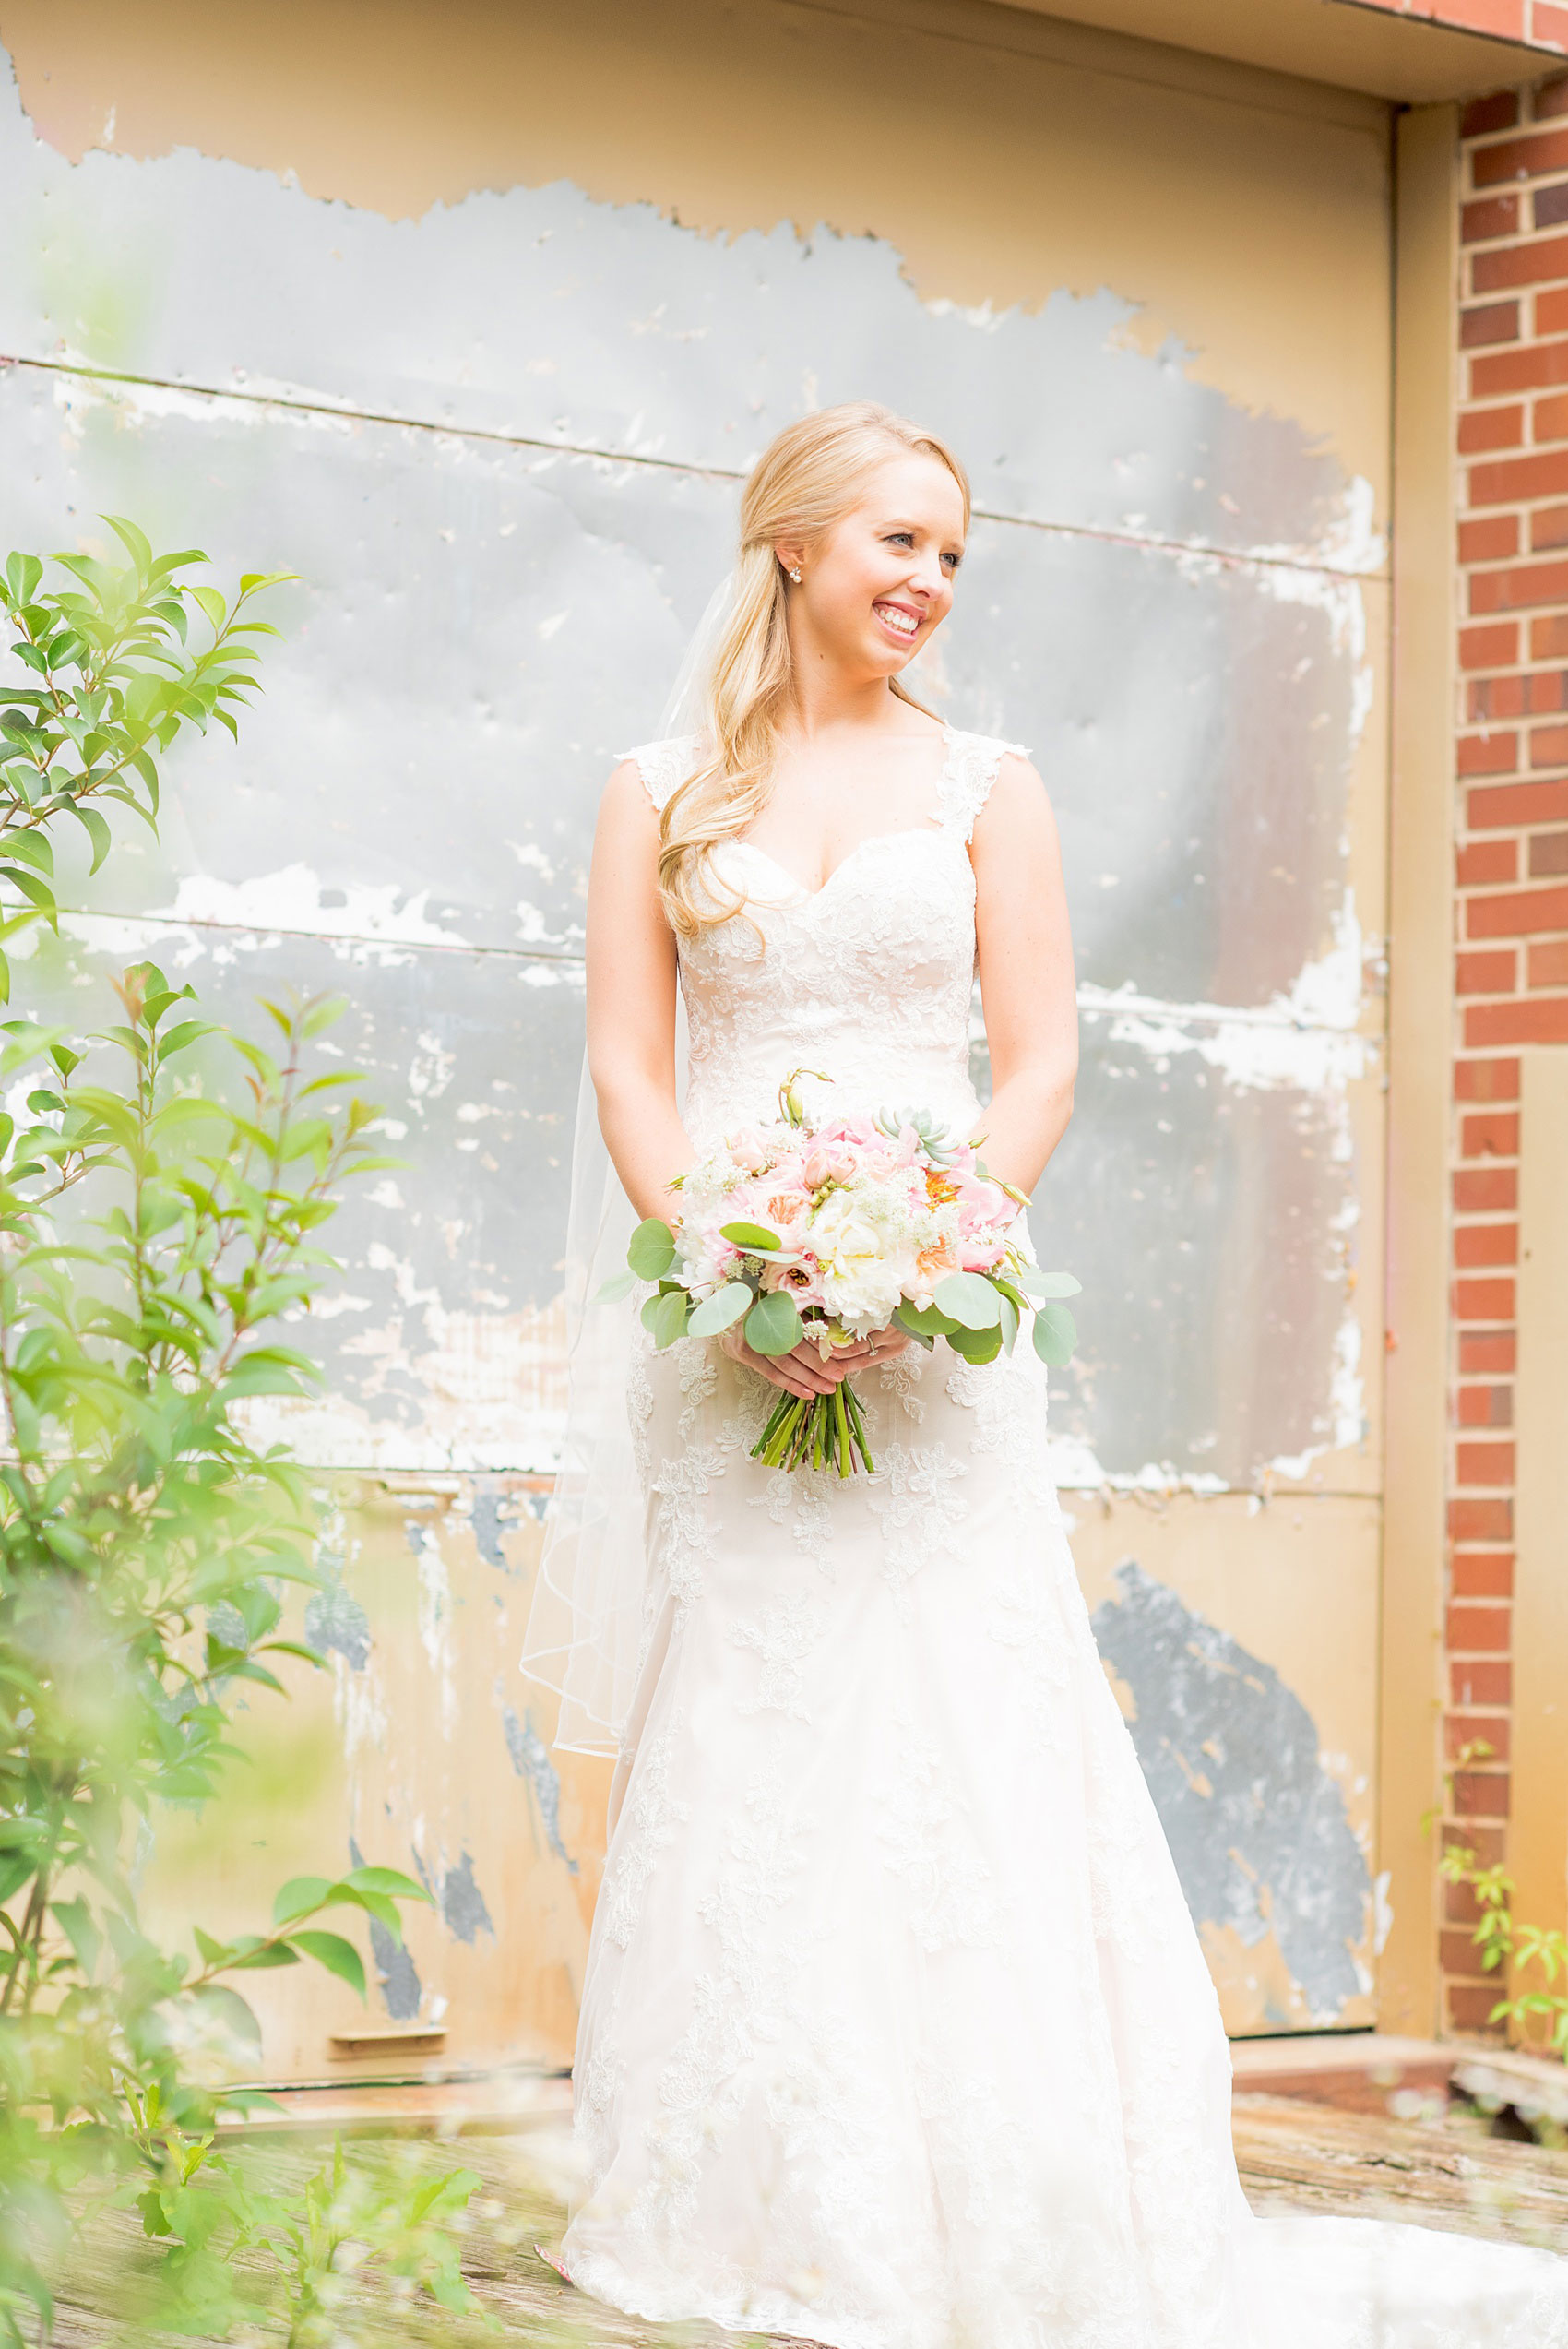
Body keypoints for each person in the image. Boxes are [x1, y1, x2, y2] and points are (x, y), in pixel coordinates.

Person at [523, 402, 1568, 2348]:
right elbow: (632, 1069)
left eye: (951, 555)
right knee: (752, 1716)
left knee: (964, 1712)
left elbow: (1039, 1063)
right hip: (731, 1321)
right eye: (895, 543)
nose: (924, 581)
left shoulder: (986, 786)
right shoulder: (651, 788)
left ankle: (1006, 2201)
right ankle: (744, 2194)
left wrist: (922, 1260)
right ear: (791, 547)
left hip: (935, 1337)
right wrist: (733, 1278)